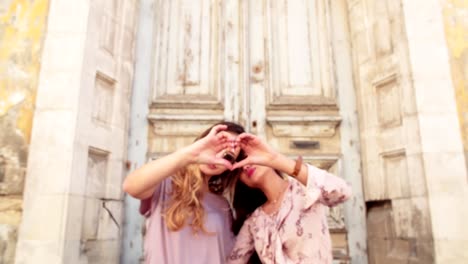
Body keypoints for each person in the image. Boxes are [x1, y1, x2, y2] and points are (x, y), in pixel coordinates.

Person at [123, 121, 246, 264]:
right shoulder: (165, 183)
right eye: (217, 147)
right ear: (203, 142)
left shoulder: (222, 205)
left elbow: (226, 254)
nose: (218, 157)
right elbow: (130, 186)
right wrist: (190, 154)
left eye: (228, 157)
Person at [227, 133, 352, 264]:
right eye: (238, 168)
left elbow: (343, 192)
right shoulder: (254, 221)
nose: (245, 166)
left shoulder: (304, 188)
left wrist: (276, 159)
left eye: (248, 158)